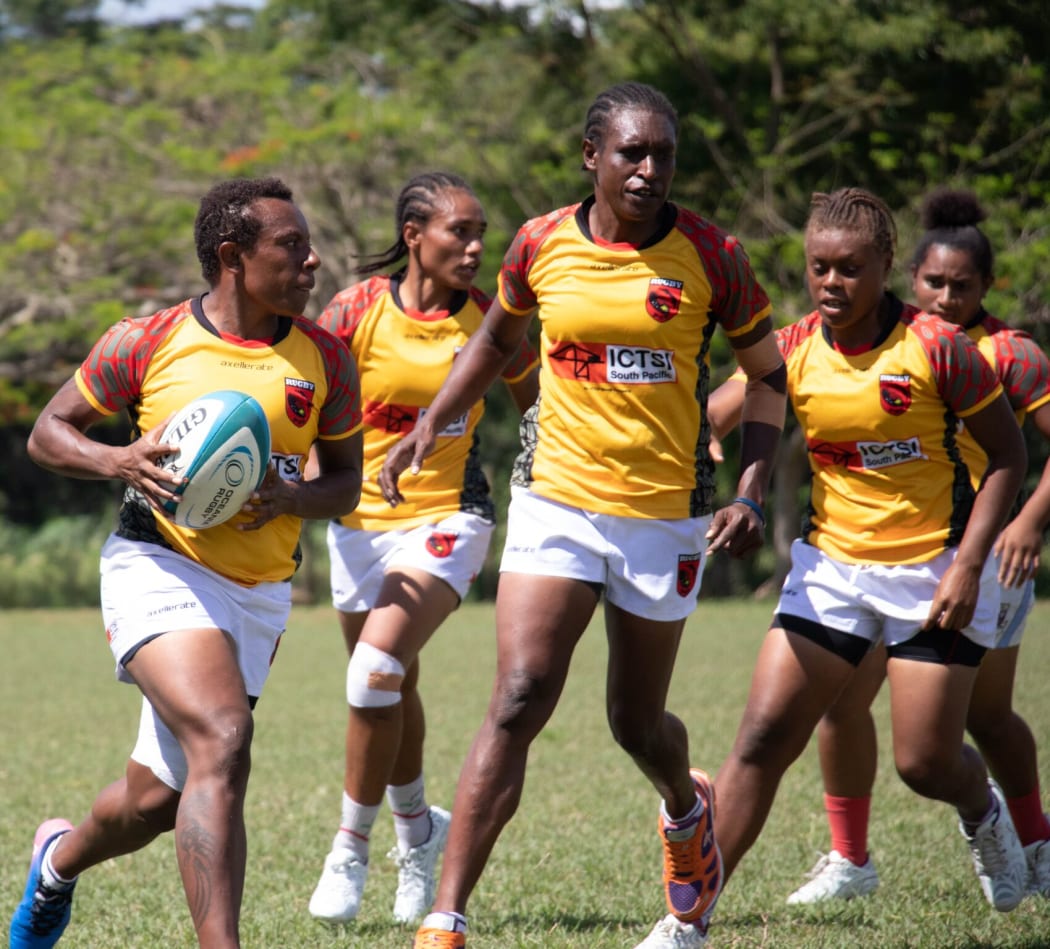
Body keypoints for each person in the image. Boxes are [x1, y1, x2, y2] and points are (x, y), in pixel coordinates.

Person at [378, 81, 788, 949]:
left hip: (664, 513)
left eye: (663, 155)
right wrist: (434, 419)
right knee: (520, 694)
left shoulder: (715, 254)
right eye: (631, 153)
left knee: (635, 725)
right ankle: (445, 918)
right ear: (591, 157)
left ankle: (687, 806)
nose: (648, 170)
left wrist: (752, 486)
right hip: (555, 495)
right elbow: (495, 341)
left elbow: (767, 376)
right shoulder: (538, 243)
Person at [8, 176, 364, 949]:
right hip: (158, 563)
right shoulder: (146, 339)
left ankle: (56, 864)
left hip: (258, 592)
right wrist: (120, 460)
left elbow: (345, 483)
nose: (313, 261)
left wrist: (288, 498)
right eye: (292, 247)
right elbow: (48, 432)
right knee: (224, 736)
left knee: (154, 800)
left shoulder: (327, 358)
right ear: (232, 257)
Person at [697, 187, 1030, 943]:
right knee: (759, 736)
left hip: (933, 570)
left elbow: (1010, 457)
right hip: (833, 571)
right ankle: (691, 917)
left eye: (850, 268)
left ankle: (982, 805)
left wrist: (969, 563)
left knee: (924, 762)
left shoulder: (939, 346)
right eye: (819, 267)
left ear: (886, 266)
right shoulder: (791, 349)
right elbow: (715, 412)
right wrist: (704, 446)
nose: (831, 283)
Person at [305, 171, 539, 926]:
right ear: (414, 236)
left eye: (480, 235)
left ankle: (349, 846)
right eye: (458, 233)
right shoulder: (354, 309)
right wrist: (296, 480)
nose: (475, 248)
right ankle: (419, 837)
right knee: (391, 687)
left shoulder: (491, 320)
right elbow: (307, 406)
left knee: (373, 672)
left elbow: (542, 409)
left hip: (449, 515)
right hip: (355, 524)